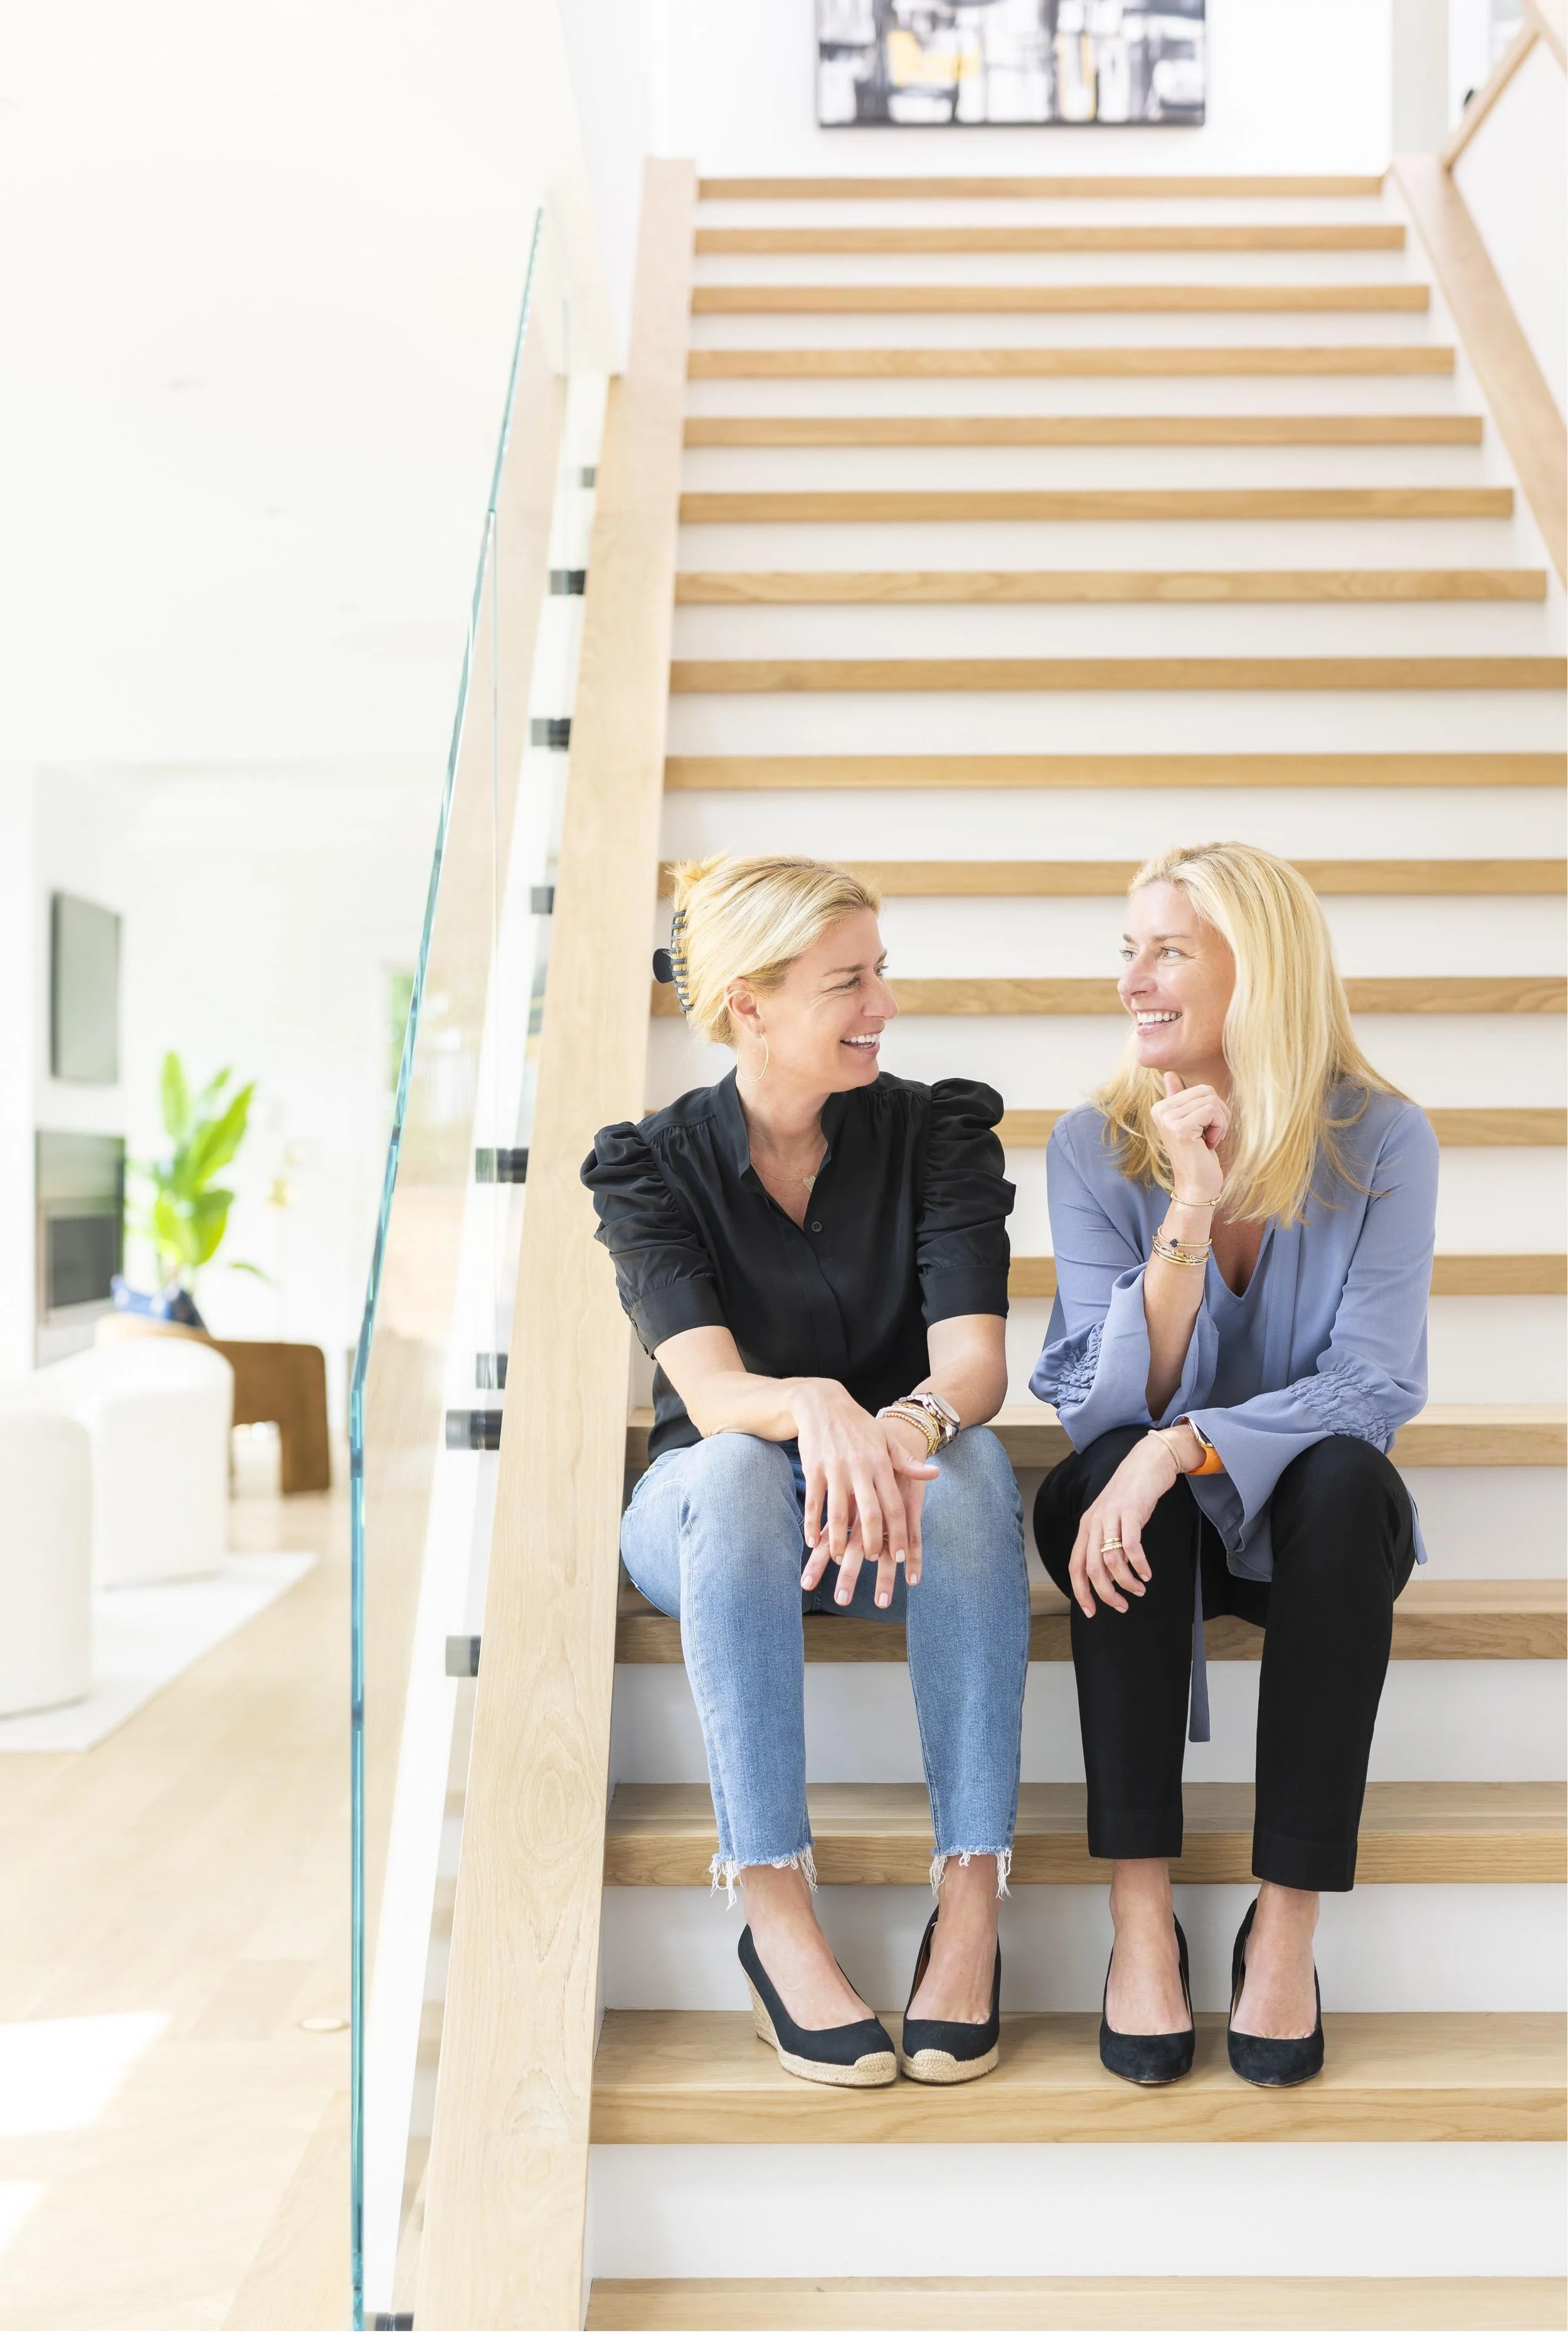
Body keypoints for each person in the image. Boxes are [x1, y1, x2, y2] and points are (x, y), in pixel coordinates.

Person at [581, 853, 1030, 2088]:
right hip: (715, 1528)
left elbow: (973, 1369)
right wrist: (814, 1404)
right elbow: (712, 1394)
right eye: (848, 982)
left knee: (979, 1464)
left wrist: (898, 1433)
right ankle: (772, 1912)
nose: (882, 1004)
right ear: (750, 1003)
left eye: (880, 972)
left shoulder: (933, 1133)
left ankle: (972, 1898)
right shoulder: (651, 1166)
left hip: (898, 1512)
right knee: (730, 1466)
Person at [1030, 841, 1435, 2089]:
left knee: (1343, 1480)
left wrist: (1180, 1448)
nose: (1130, 980)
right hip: (1141, 1523)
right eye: (1125, 950)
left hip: (1300, 1532)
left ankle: (1285, 1920)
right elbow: (1109, 1392)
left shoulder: (1384, 1142)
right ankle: (1138, 1918)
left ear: (1254, 972)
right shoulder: (1092, 1144)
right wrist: (1188, 1211)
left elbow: (1369, 1390)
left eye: (1165, 950)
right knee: (1108, 1470)